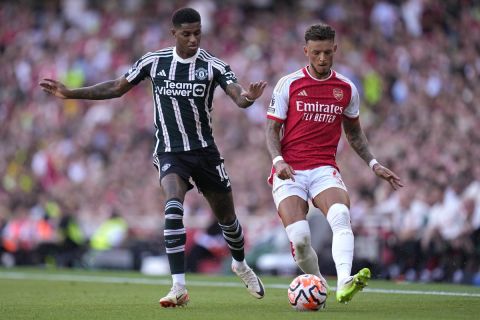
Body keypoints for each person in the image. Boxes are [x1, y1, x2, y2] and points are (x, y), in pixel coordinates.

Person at [40, 7, 266, 308]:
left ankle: (240, 264)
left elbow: (238, 96)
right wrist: (71, 93)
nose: (193, 39)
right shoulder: (154, 61)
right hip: (170, 151)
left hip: (204, 152)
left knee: (228, 220)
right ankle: (178, 286)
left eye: (197, 33)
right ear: (174, 34)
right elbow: (117, 87)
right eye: (186, 34)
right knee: (173, 204)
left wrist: (248, 97)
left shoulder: (212, 66)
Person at [265, 23, 403, 304]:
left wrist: (373, 163)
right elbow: (270, 130)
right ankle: (320, 285)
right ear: (306, 51)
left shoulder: (346, 88)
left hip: (323, 169)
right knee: (301, 239)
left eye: (328, 52)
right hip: (289, 170)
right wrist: (278, 160)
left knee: (340, 215)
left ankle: (344, 282)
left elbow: (354, 133)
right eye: (316, 53)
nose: (322, 59)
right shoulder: (288, 84)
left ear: (335, 49)